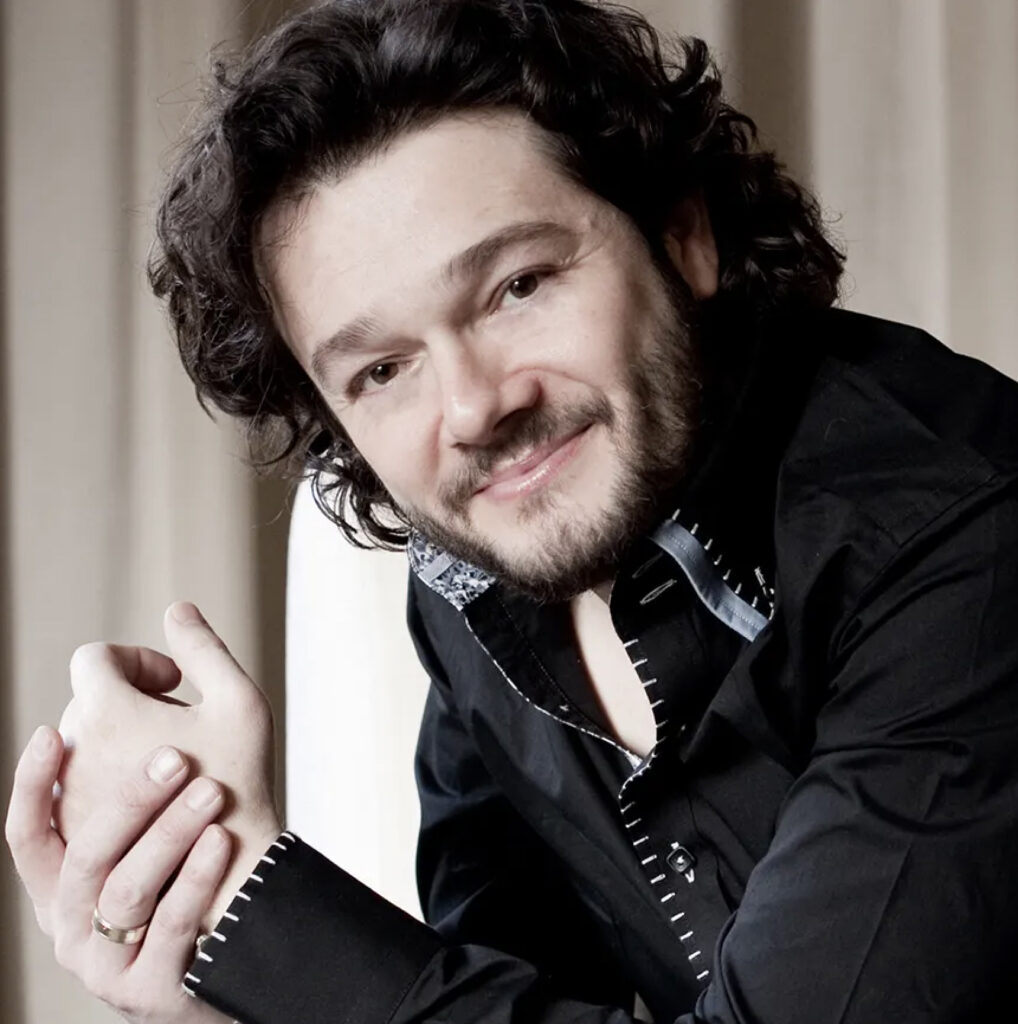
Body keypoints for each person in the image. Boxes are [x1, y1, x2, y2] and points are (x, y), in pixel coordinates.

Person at [6, 0, 1018, 1022]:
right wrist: (210, 966)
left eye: (518, 286)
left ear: (683, 235)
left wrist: (264, 915)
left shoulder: (961, 530)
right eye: (382, 370)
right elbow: (500, 994)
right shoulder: (474, 573)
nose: (473, 409)